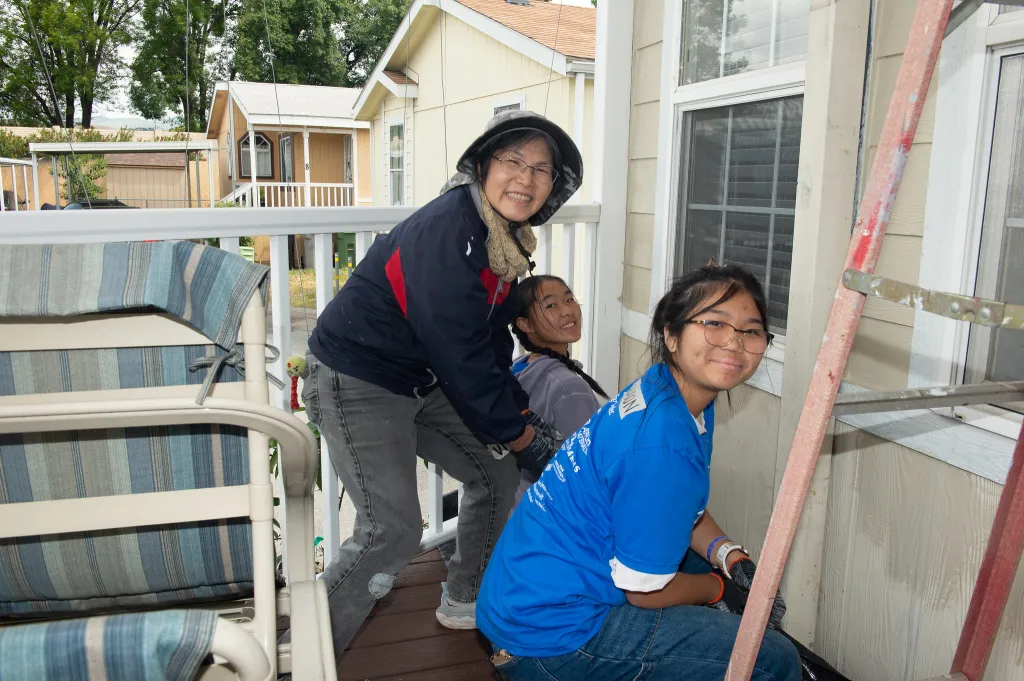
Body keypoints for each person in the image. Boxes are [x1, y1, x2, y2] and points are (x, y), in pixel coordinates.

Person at [301, 110, 583, 658]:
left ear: (553, 186)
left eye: (541, 170)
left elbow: (492, 340)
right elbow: (461, 355)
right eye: (513, 161)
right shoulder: (449, 231)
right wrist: (521, 435)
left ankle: (465, 598)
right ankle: (305, 655)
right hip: (358, 375)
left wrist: (519, 415)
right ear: (483, 167)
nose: (525, 179)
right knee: (391, 532)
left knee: (495, 473)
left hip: (420, 376)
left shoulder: (502, 240)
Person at [476, 264, 801, 681]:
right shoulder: (661, 440)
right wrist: (720, 590)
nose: (734, 342)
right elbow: (645, 592)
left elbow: (680, 507)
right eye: (715, 323)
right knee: (773, 658)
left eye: (751, 330)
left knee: (699, 570)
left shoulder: (664, 389)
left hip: (521, 590)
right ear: (672, 335)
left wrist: (728, 555)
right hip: (552, 635)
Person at [510, 275, 608, 505]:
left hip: (521, 507)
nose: (567, 311)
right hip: (554, 516)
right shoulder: (569, 389)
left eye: (569, 299)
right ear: (525, 324)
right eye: (551, 305)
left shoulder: (519, 368)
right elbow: (582, 476)